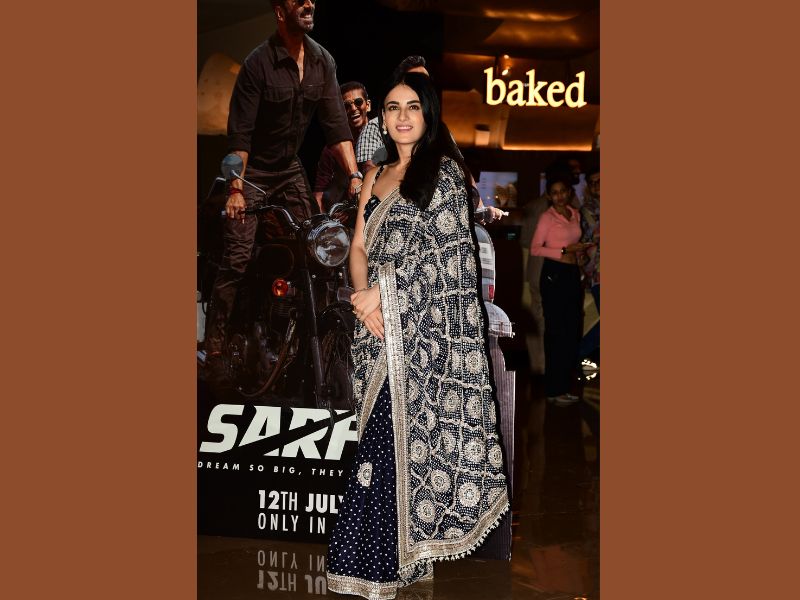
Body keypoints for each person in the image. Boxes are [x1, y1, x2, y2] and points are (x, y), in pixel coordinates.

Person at [326, 72, 510, 599]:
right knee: (379, 439)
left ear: (427, 114)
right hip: (375, 325)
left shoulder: (443, 174)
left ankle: (378, 564)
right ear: (381, 118)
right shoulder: (374, 175)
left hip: (422, 334)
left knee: (391, 444)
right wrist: (364, 300)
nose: (401, 116)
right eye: (392, 107)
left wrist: (384, 293)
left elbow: (448, 258)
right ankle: (399, 560)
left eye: (412, 106)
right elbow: (358, 246)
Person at [204, 0, 361, 376]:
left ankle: (305, 341)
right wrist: (236, 190)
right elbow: (239, 139)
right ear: (279, 12)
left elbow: (336, 128)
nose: (309, 3)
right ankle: (216, 347)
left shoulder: (322, 62)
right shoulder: (258, 64)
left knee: (317, 248)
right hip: (253, 171)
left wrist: (355, 177)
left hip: (289, 169)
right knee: (238, 256)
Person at [529, 174, 594, 406]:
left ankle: (564, 387)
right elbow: (535, 249)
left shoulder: (574, 213)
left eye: (563, 191)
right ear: (549, 195)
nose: (559, 196)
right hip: (554, 275)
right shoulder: (547, 218)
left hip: (571, 274)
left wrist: (580, 254)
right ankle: (553, 390)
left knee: (572, 331)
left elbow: (575, 244)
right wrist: (565, 251)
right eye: (554, 193)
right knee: (556, 333)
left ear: (569, 192)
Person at [314, 81, 372, 212]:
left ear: (368, 105)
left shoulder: (385, 136)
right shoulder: (331, 150)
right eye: (346, 106)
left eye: (358, 102)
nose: (353, 109)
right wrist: (324, 221)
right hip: (342, 215)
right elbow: (319, 193)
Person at [578, 167, 600, 361]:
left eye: (599, 181)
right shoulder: (587, 210)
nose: (596, 186)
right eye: (592, 183)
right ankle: (577, 355)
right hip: (598, 273)